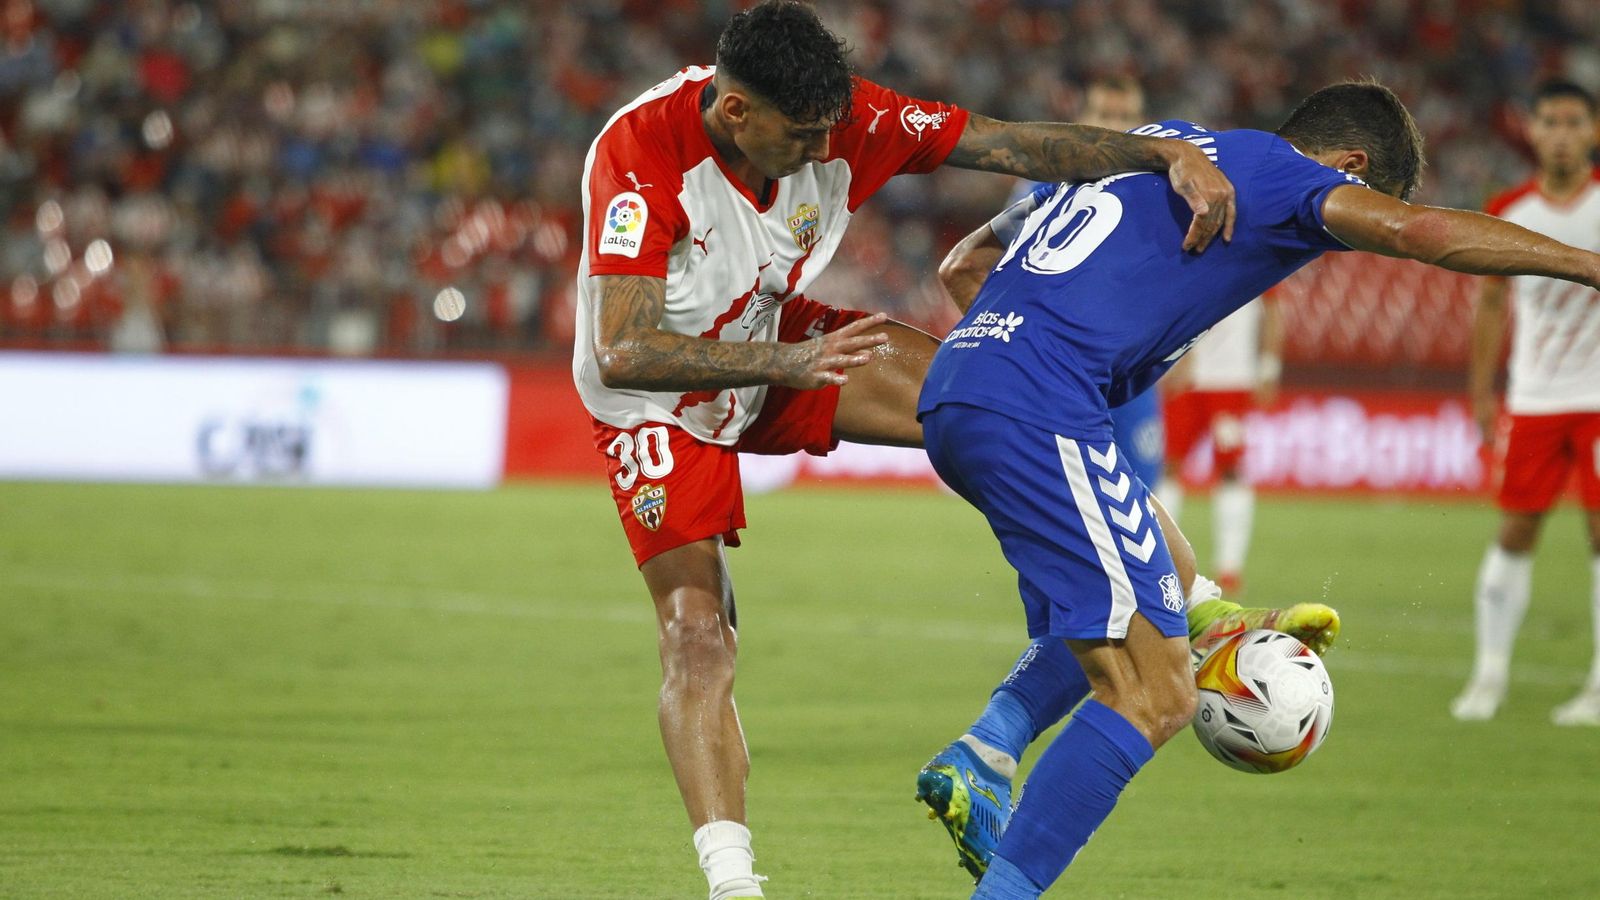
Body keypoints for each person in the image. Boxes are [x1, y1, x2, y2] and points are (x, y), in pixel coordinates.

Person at [571, 3, 1238, 897]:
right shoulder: (639, 159)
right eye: (800, 135)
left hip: (773, 338)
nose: (820, 149)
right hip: (658, 401)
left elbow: (1011, 146)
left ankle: (1190, 604)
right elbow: (623, 345)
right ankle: (735, 887)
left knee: (1004, 403)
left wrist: (1159, 153)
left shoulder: (848, 119)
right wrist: (787, 362)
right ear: (737, 113)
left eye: (826, 131)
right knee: (699, 640)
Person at [914, 81, 1600, 897]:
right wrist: (1588, 266)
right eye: (1357, 193)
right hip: (1036, 401)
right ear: (1350, 166)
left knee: (1160, 574)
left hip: (962, 387)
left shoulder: (1155, 143)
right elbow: (1423, 233)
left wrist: (1022, 361)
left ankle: (986, 752)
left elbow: (965, 265)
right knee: (1157, 692)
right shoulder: (1284, 178)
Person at [1452, 80, 1600, 726]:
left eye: (1573, 122)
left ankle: (1597, 685)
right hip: (1534, 397)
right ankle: (1488, 676)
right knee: (1515, 529)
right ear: (1532, 132)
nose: (1562, 133)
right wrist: (1484, 390)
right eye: (1550, 121)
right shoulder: (1508, 208)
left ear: (1592, 132)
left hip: (1596, 400)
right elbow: (1490, 305)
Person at [1161, 291, 1285, 594]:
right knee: (1169, 467)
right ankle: (1160, 559)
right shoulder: (1190, 250)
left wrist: (1269, 367)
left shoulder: (1258, 251)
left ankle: (1230, 567)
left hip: (1232, 379)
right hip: (1188, 380)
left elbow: (1273, 312)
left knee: (1230, 469)